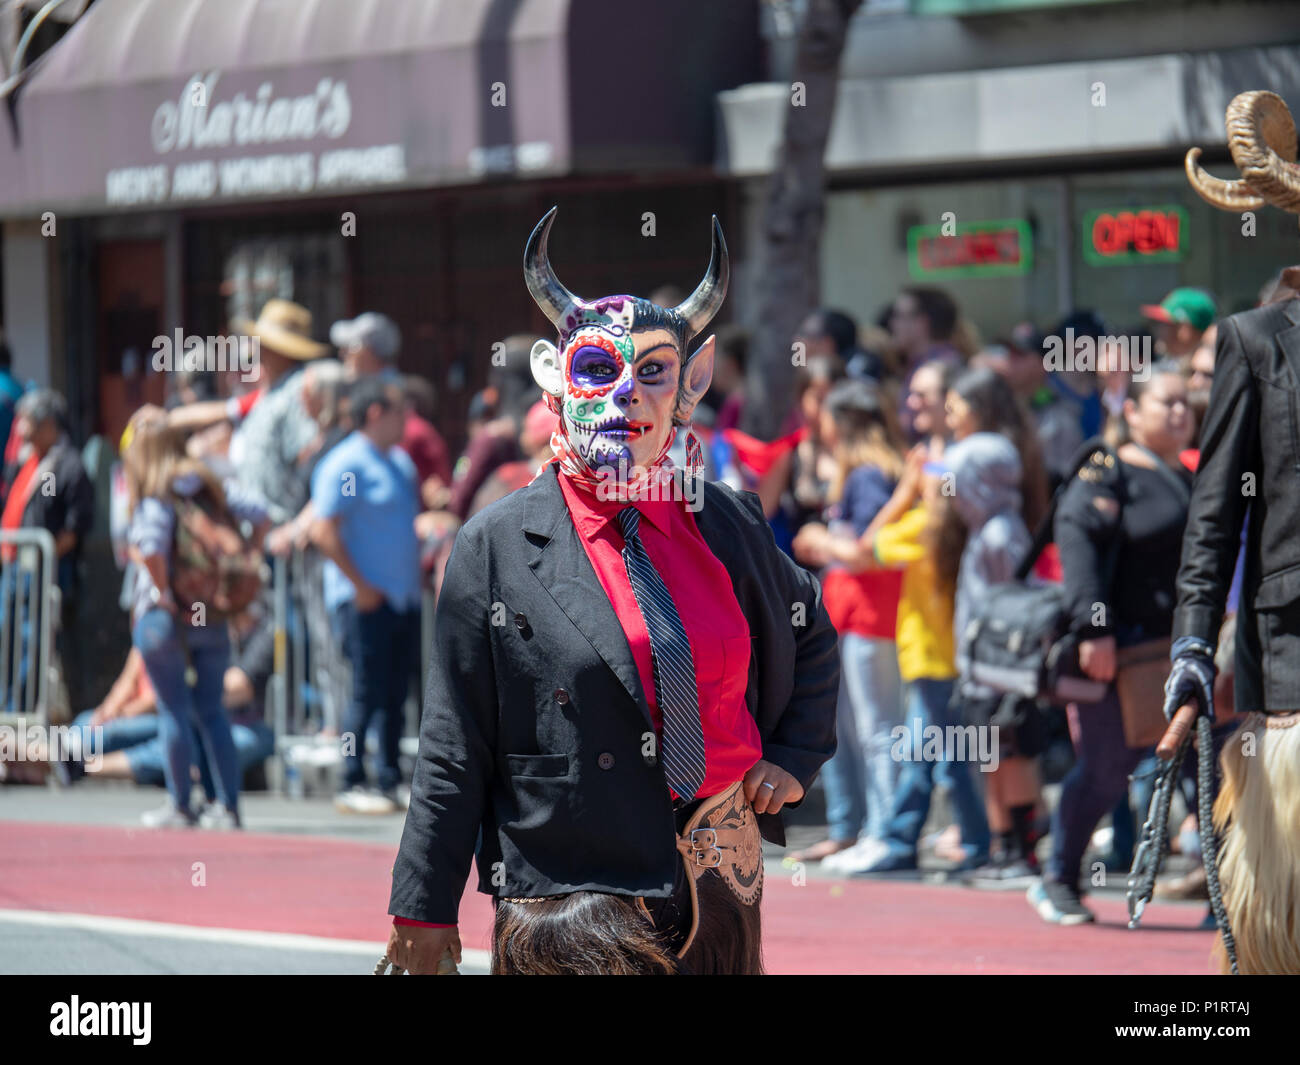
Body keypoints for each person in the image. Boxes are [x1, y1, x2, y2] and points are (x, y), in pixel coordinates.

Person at [385, 209, 838, 975]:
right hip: (569, 894)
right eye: (599, 369)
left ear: (691, 385)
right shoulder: (495, 544)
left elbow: (811, 629)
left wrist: (794, 754)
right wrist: (422, 907)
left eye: (653, 371)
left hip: (716, 886)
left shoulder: (722, 518)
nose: (627, 394)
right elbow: (455, 742)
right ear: (555, 380)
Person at [1028, 364, 1194, 924]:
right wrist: (1094, 630)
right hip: (1116, 654)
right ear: (1132, 410)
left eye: (1185, 404)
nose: (1180, 412)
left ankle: (1229, 897)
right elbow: (1074, 541)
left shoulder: (1189, 474)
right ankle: (1059, 879)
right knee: (1104, 769)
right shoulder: (1108, 467)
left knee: (1211, 768)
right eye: (1166, 403)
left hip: (1179, 652)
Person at [122, 406, 269, 829]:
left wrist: (164, 592)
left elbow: (149, 547)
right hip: (211, 613)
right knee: (212, 708)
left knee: (172, 709)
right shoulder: (208, 484)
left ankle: (182, 805)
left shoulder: (156, 491)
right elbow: (260, 511)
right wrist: (252, 559)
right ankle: (228, 806)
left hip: (165, 616)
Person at [789, 379, 905, 872]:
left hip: (871, 617)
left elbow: (867, 553)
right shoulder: (862, 473)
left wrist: (819, 537)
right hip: (857, 616)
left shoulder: (869, 476)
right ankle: (866, 830)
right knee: (859, 730)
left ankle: (886, 832)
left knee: (877, 731)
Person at [310, 375, 422, 815]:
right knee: (365, 693)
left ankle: (390, 779)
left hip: (401, 600)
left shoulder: (400, 463)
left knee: (396, 694)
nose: (406, 422)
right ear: (375, 413)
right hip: (365, 603)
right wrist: (359, 586)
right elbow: (323, 529)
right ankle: (351, 779)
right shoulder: (346, 464)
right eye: (399, 412)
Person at [938, 433, 1039, 883]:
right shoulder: (985, 529)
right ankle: (1003, 849)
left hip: (1006, 673)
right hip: (982, 672)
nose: (951, 494)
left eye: (957, 483)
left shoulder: (1003, 532)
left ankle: (1022, 850)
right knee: (992, 759)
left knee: (1012, 756)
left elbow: (1016, 602)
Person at [1140, 288, 1217, 362]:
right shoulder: (1175, 361)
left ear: (1185, 329)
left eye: (1165, 324)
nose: (1158, 330)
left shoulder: (1212, 364)